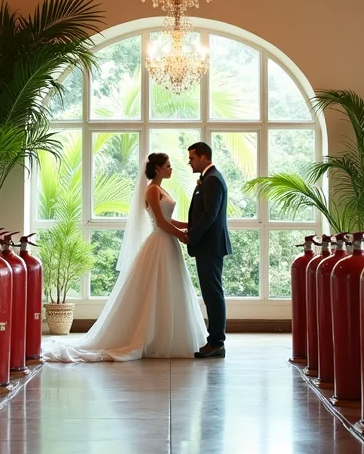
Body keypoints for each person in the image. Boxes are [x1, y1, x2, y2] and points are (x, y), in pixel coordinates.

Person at [39, 152, 208, 362]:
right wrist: (182, 235)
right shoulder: (152, 190)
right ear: (157, 168)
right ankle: (149, 338)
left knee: (170, 286)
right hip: (160, 241)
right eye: (167, 165)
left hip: (168, 242)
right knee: (155, 288)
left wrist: (190, 226)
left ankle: (167, 336)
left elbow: (169, 219)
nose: (171, 169)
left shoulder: (162, 189)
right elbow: (160, 222)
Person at [186, 141, 231, 359]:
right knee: (211, 293)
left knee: (213, 294)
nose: (189, 162)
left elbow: (209, 215)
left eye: (192, 158)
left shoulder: (212, 179)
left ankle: (216, 342)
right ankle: (215, 340)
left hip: (210, 245)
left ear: (204, 157)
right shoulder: (209, 178)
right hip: (208, 245)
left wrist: (191, 236)